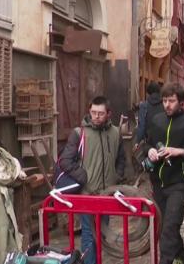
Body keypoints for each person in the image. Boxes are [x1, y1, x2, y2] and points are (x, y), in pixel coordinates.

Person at [143, 82, 184, 264]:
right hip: (157, 182)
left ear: (181, 102)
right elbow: (147, 143)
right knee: (166, 227)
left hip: (179, 183)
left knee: (170, 228)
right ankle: (183, 258)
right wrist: (149, 151)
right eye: (164, 101)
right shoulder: (157, 120)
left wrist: (182, 151)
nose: (167, 105)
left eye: (171, 101)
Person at [59, 96, 126, 264]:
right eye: (93, 112)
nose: (96, 116)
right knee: (89, 235)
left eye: (100, 113)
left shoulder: (116, 133)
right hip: (87, 194)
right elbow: (65, 161)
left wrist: (116, 177)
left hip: (107, 194)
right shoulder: (79, 133)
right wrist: (83, 176)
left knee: (102, 234)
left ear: (108, 114)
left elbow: (122, 159)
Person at [136, 82, 164, 149]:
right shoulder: (164, 105)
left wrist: (137, 142)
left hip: (149, 143)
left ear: (148, 93)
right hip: (163, 141)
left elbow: (141, 126)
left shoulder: (144, 105)